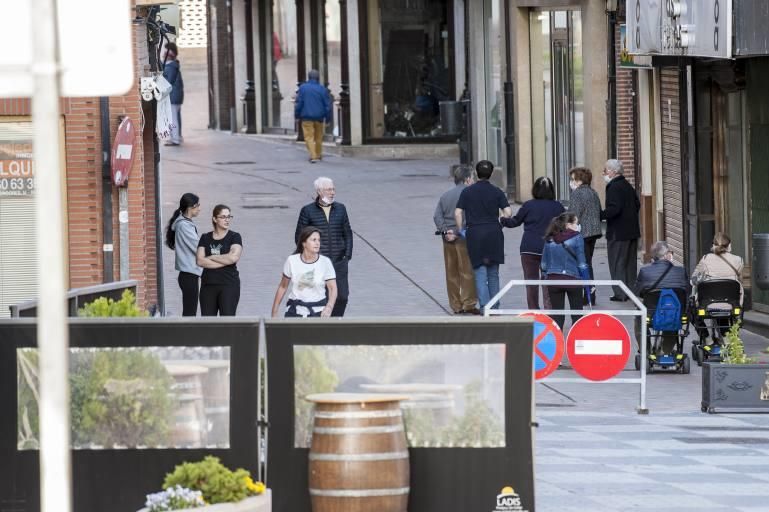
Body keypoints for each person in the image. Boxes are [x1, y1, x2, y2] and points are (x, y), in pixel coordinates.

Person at [455, 160, 512, 310]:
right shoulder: (497, 191)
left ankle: (485, 307)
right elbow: (508, 212)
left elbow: (458, 212)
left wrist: (461, 229)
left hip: (475, 233)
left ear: (476, 173)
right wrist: (501, 222)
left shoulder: (467, 191)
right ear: (491, 174)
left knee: (480, 272)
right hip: (493, 232)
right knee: (493, 273)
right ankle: (495, 306)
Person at [501, 176, 564, 309]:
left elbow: (515, 222)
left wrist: (503, 220)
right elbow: (564, 227)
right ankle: (550, 312)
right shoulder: (558, 206)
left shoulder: (528, 205)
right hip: (550, 248)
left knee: (531, 282)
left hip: (529, 248)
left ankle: (534, 311)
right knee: (548, 283)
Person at [295, 177, 353, 316]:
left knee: (342, 297)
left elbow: (348, 232)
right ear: (319, 191)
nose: (332, 192)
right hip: (319, 262)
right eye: (329, 190)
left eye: (333, 189)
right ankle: (322, 325)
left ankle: (335, 322)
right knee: (322, 297)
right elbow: (299, 237)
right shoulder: (307, 211)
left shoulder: (341, 208)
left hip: (339, 262)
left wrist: (347, 255)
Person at [434, 165, 479, 315]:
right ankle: (469, 303)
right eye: (472, 178)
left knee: (451, 272)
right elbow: (470, 216)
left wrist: (445, 231)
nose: (473, 181)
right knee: (467, 271)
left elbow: (437, 216)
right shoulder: (470, 195)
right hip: (463, 237)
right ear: (467, 179)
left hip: (447, 238)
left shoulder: (445, 195)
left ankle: (456, 305)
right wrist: (459, 231)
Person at [634, 241, 689, 353]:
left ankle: (646, 350)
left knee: (639, 317)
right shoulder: (680, 272)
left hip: (651, 313)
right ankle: (666, 350)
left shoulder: (645, 271)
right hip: (675, 313)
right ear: (667, 255)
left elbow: (638, 293)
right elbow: (687, 292)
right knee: (673, 314)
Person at [271, 227, 338, 317]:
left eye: (318, 240)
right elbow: (283, 286)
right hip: (294, 311)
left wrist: (329, 307)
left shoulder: (325, 262)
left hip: (318, 312)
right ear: (304, 243)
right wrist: (275, 310)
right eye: (313, 240)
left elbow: (332, 288)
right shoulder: (292, 260)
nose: (317, 243)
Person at [541, 212, 589, 331]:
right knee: (577, 315)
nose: (578, 226)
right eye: (576, 223)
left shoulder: (550, 238)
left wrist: (546, 277)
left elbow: (543, 264)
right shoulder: (577, 237)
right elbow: (582, 264)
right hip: (573, 280)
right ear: (568, 225)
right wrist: (588, 282)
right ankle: (576, 343)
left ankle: (557, 345)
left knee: (557, 316)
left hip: (553, 281)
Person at [600, 159, 640, 301]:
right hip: (632, 231)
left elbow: (614, 209)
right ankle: (630, 291)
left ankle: (620, 293)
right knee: (630, 263)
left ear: (612, 171)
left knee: (617, 263)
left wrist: (600, 214)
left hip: (618, 232)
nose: (604, 173)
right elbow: (637, 204)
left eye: (605, 170)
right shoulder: (627, 185)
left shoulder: (614, 187)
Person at [196, 205, 243, 316]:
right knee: (208, 324)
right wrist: (224, 260)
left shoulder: (235, 236)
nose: (227, 220)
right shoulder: (205, 237)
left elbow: (233, 258)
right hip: (208, 286)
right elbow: (200, 261)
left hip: (229, 285)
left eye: (229, 216)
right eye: (223, 217)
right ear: (215, 219)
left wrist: (211, 257)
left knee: (227, 323)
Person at [567, 167, 602, 304]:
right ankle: (589, 294)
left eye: (573, 178)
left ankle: (588, 294)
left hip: (582, 233)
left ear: (579, 180)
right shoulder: (593, 192)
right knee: (587, 262)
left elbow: (573, 215)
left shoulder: (577, 194)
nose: (571, 181)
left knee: (583, 264)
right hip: (593, 232)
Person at [165, 193, 202, 316]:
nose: (199, 208)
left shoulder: (185, 223)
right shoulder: (184, 226)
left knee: (190, 311)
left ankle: (187, 334)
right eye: (197, 206)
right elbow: (198, 247)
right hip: (189, 275)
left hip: (189, 274)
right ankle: (187, 335)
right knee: (189, 313)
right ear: (190, 208)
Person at [691, 232, 744, 304]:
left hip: (708, 303)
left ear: (713, 245)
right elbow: (741, 280)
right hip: (732, 303)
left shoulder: (706, 258)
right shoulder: (738, 260)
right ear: (729, 245)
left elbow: (694, 278)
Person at [295, 69, 332, 163]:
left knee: (309, 137)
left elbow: (299, 103)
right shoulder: (322, 89)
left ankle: (313, 156)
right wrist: (328, 119)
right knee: (319, 137)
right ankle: (318, 154)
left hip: (306, 117)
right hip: (319, 117)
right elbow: (327, 105)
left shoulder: (303, 88)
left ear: (309, 77)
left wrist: (297, 115)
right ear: (318, 78)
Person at [162, 42, 184, 146]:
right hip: (176, 96)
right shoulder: (173, 65)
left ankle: (175, 139)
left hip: (172, 97)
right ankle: (177, 136)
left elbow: (167, 82)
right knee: (176, 117)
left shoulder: (170, 66)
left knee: (173, 118)